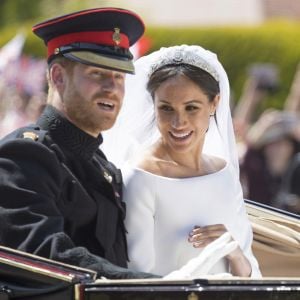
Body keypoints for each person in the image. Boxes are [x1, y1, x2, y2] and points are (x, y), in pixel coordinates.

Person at [0, 7, 160, 279]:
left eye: (119, 77)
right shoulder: (23, 156)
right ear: (58, 77)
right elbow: (49, 259)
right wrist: (155, 287)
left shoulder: (102, 166)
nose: (112, 88)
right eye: (98, 73)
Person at [103, 45, 261, 277]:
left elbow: (249, 271)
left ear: (214, 103)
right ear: (153, 106)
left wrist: (234, 253)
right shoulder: (139, 177)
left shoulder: (224, 173)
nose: (179, 123)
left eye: (191, 108)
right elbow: (139, 279)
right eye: (166, 108)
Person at [240, 109, 300, 214]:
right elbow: (251, 145)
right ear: (264, 148)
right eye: (272, 143)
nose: (278, 148)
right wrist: (266, 124)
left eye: (283, 142)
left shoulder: (296, 171)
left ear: (291, 148)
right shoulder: (255, 169)